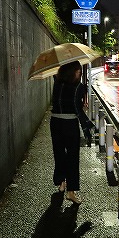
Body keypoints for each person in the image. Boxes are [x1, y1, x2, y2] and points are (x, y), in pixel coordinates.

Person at [50, 60, 95, 204]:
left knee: (59, 153)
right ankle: (71, 192)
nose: (79, 73)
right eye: (78, 71)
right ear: (73, 72)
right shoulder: (78, 86)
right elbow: (77, 108)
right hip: (69, 124)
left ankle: (61, 183)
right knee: (72, 158)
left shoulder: (57, 82)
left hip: (55, 122)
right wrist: (86, 124)